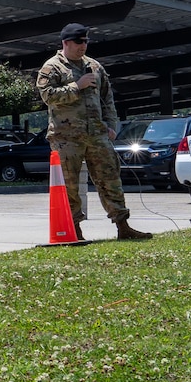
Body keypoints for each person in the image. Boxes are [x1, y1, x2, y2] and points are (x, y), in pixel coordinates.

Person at [36, 22, 150, 241]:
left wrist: (111, 124)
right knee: (69, 185)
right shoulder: (52, 67)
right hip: (66, 137)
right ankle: (75, 230)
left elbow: (107, 98)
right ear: (66, 42)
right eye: (79, 42)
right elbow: (48, 96)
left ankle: (123, 226)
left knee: (110, 178)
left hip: (97, 134)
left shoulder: (95, 67)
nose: (83, 46)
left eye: (86, 42)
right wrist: (76, 86)